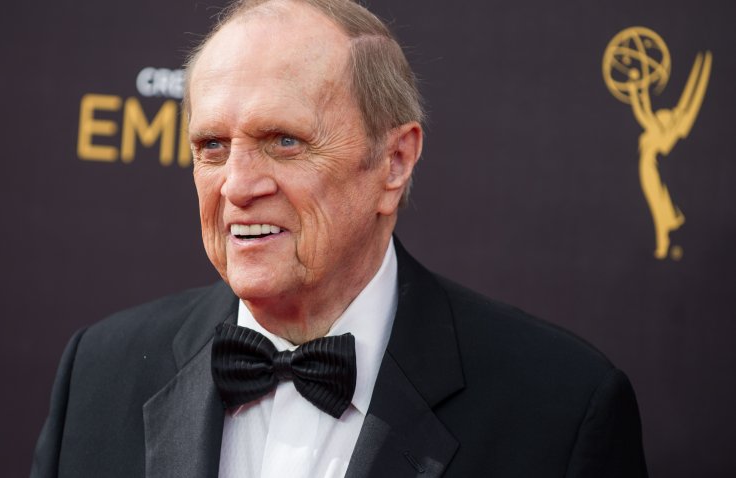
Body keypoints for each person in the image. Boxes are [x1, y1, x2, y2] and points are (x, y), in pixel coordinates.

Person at [31, 1, 648, 477]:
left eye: (285, 141)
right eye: (212, 147)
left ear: (394, 162)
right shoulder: (100, 374)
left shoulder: (559, 410)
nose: (238, 186)